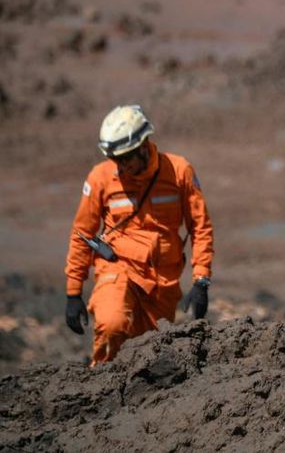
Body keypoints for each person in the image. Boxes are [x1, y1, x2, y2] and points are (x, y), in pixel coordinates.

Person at [64, 105, 214, 365]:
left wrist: (201, 281)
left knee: (153, 356)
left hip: (163, 282)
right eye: (116, 160)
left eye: (126, 158)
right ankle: (99, 389)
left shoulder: (179, 172)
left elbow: (200, 227)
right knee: (112, 325)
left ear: (144, 146)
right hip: (118, 268)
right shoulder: (101, 178)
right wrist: (73, 292)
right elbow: (83, 233)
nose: (121, 166)